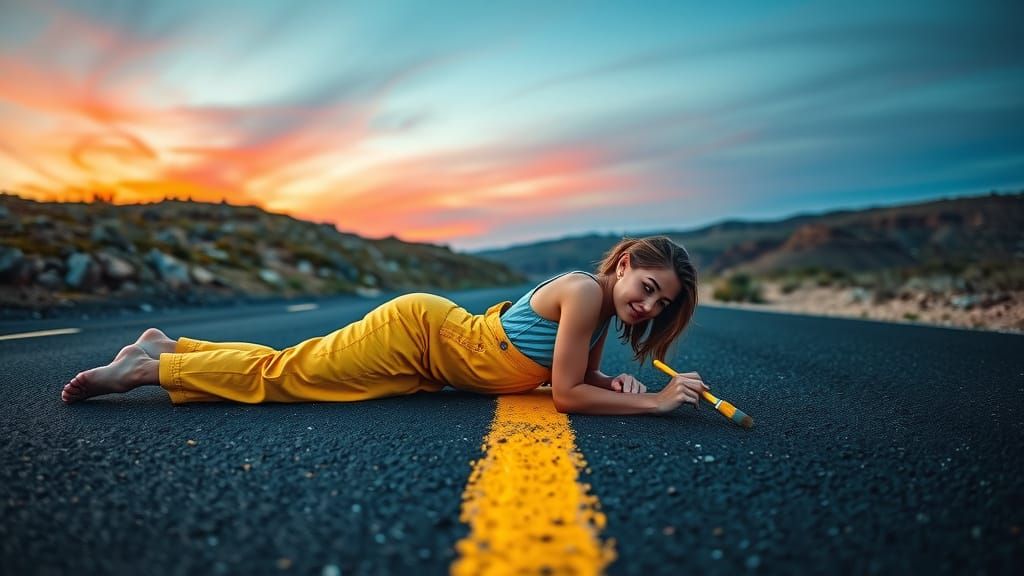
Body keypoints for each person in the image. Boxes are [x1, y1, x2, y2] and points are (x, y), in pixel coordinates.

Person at [61, 236, 709, 415]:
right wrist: (653, 402)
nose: (650, 307)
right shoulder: (584, 292)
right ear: (625, 264)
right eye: (649, 288)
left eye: (663, 306)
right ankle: (148, 370)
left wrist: (615, 383)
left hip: (431, 362)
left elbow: (571, 378)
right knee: (288, 375)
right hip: (419, 337)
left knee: (295, 366)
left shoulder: (596, 309)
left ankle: (169, 345)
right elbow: (565, 395)